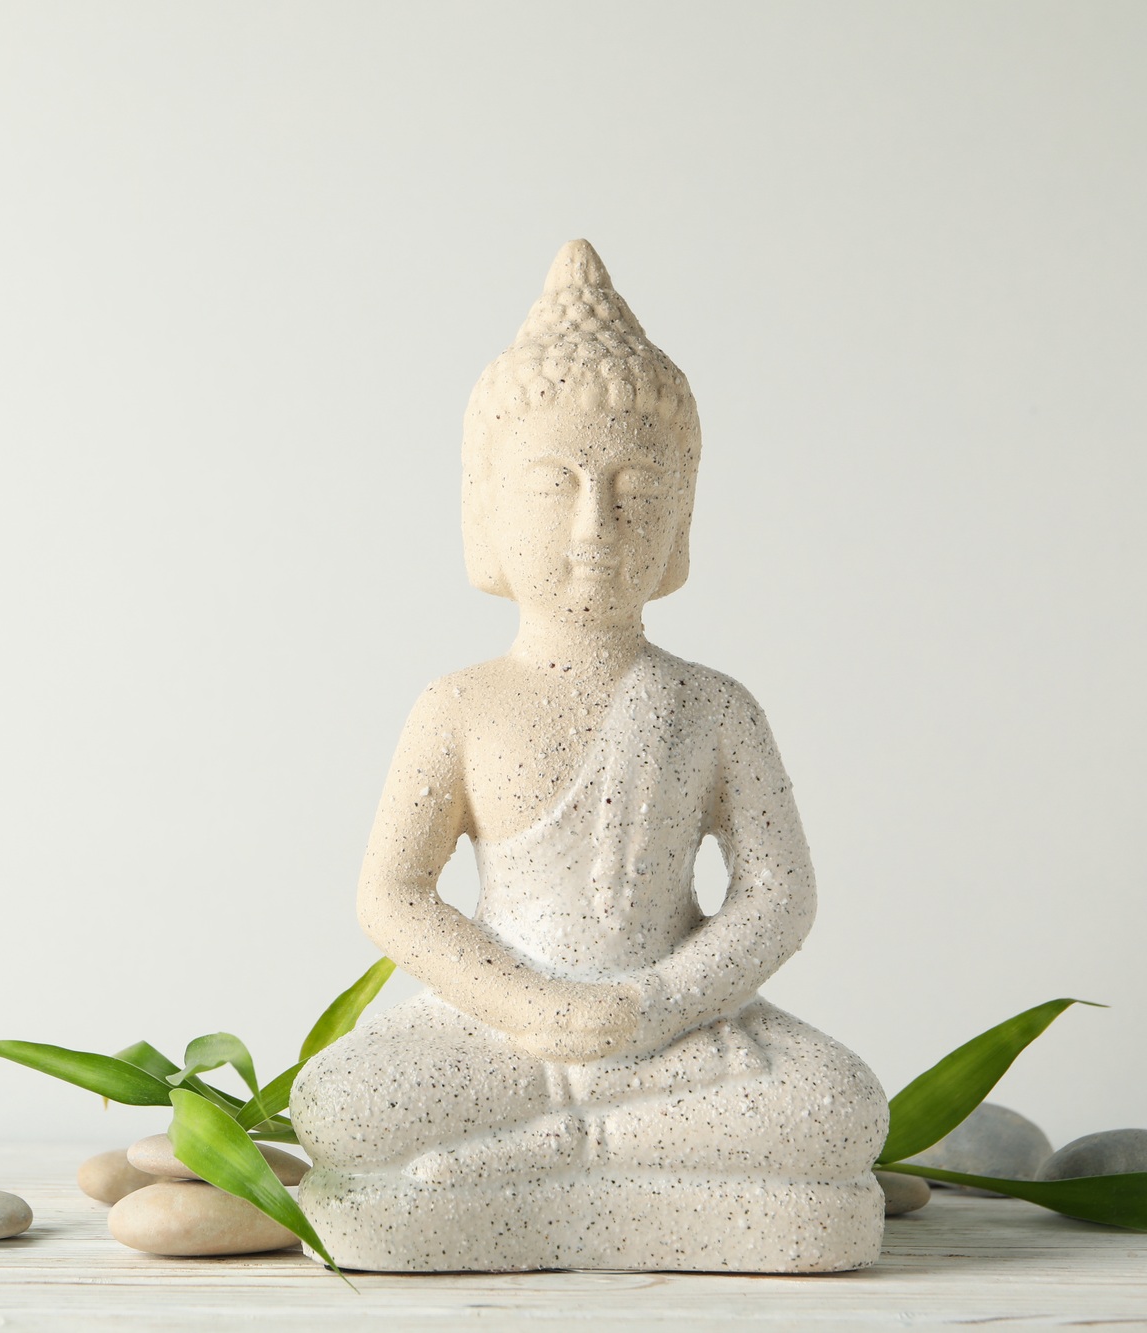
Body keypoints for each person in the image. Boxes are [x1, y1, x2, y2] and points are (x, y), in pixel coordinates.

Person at [293, 242, 888, 1273]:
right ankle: (571, 1131)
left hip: (675, 1028)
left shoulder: (711, 704)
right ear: (481, 505)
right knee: (339, 1109)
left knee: (838, 1108)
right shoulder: (459, 704)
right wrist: (529, 1004)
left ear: (682, 514)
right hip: (495, 1032)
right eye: (552, 483)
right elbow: (392, 895)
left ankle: (578, 1145)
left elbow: (775, 896)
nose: (593, 523)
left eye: (634, 485)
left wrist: (652, 1005)